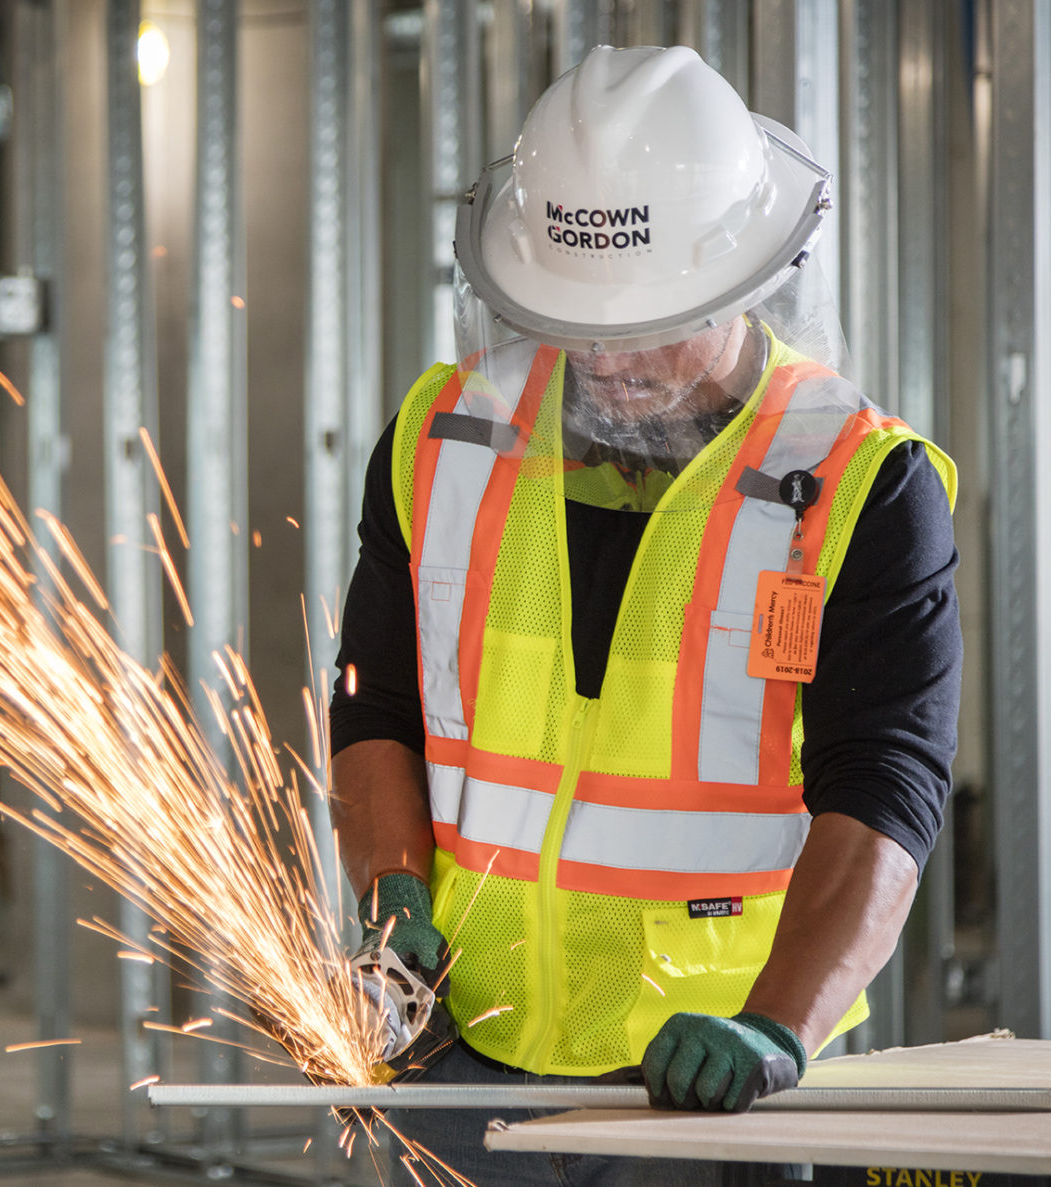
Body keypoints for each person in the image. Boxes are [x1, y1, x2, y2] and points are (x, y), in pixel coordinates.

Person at [329, 45, 960, 1186]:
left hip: (711, 1077)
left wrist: (774, 1026)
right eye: (577, 317)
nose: (610, 357)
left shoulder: (860, 484)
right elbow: (372, 698)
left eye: (653, 318)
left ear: (742, 280)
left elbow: (885, 789)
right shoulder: (443, 439)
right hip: (459, 1052)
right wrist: (392, 891)